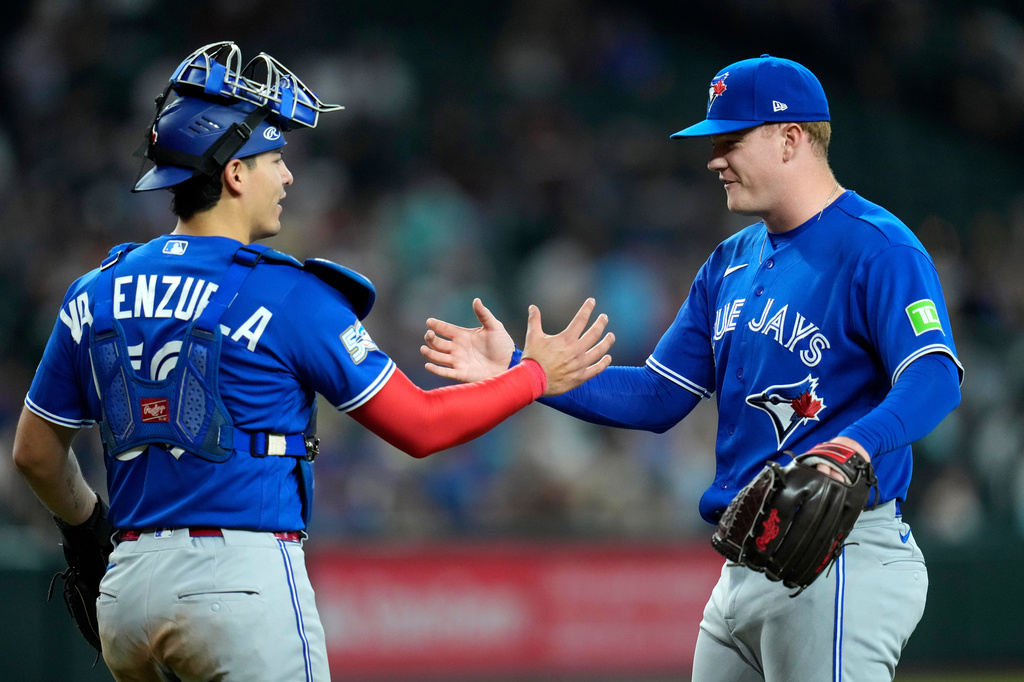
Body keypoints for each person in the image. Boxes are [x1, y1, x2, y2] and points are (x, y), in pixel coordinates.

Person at [12, 41, 614, 682]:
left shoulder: (95, 289)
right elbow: (420, 426)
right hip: (240, 581)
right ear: (236, 173)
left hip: (127, 593)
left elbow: (35, 453)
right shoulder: (287, 292)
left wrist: (87, 530)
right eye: (275, 157)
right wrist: (533, 376)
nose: (289, 176)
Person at [420, 54, 963, 681]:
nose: (713, 159)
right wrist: (520, 372)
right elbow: (656, 397)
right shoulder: (730, 261)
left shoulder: (879, 247)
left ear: (791, 139)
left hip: (840, 554)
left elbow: (934, 375)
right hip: (743, 559)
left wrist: (852, 449)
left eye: (731, 139)